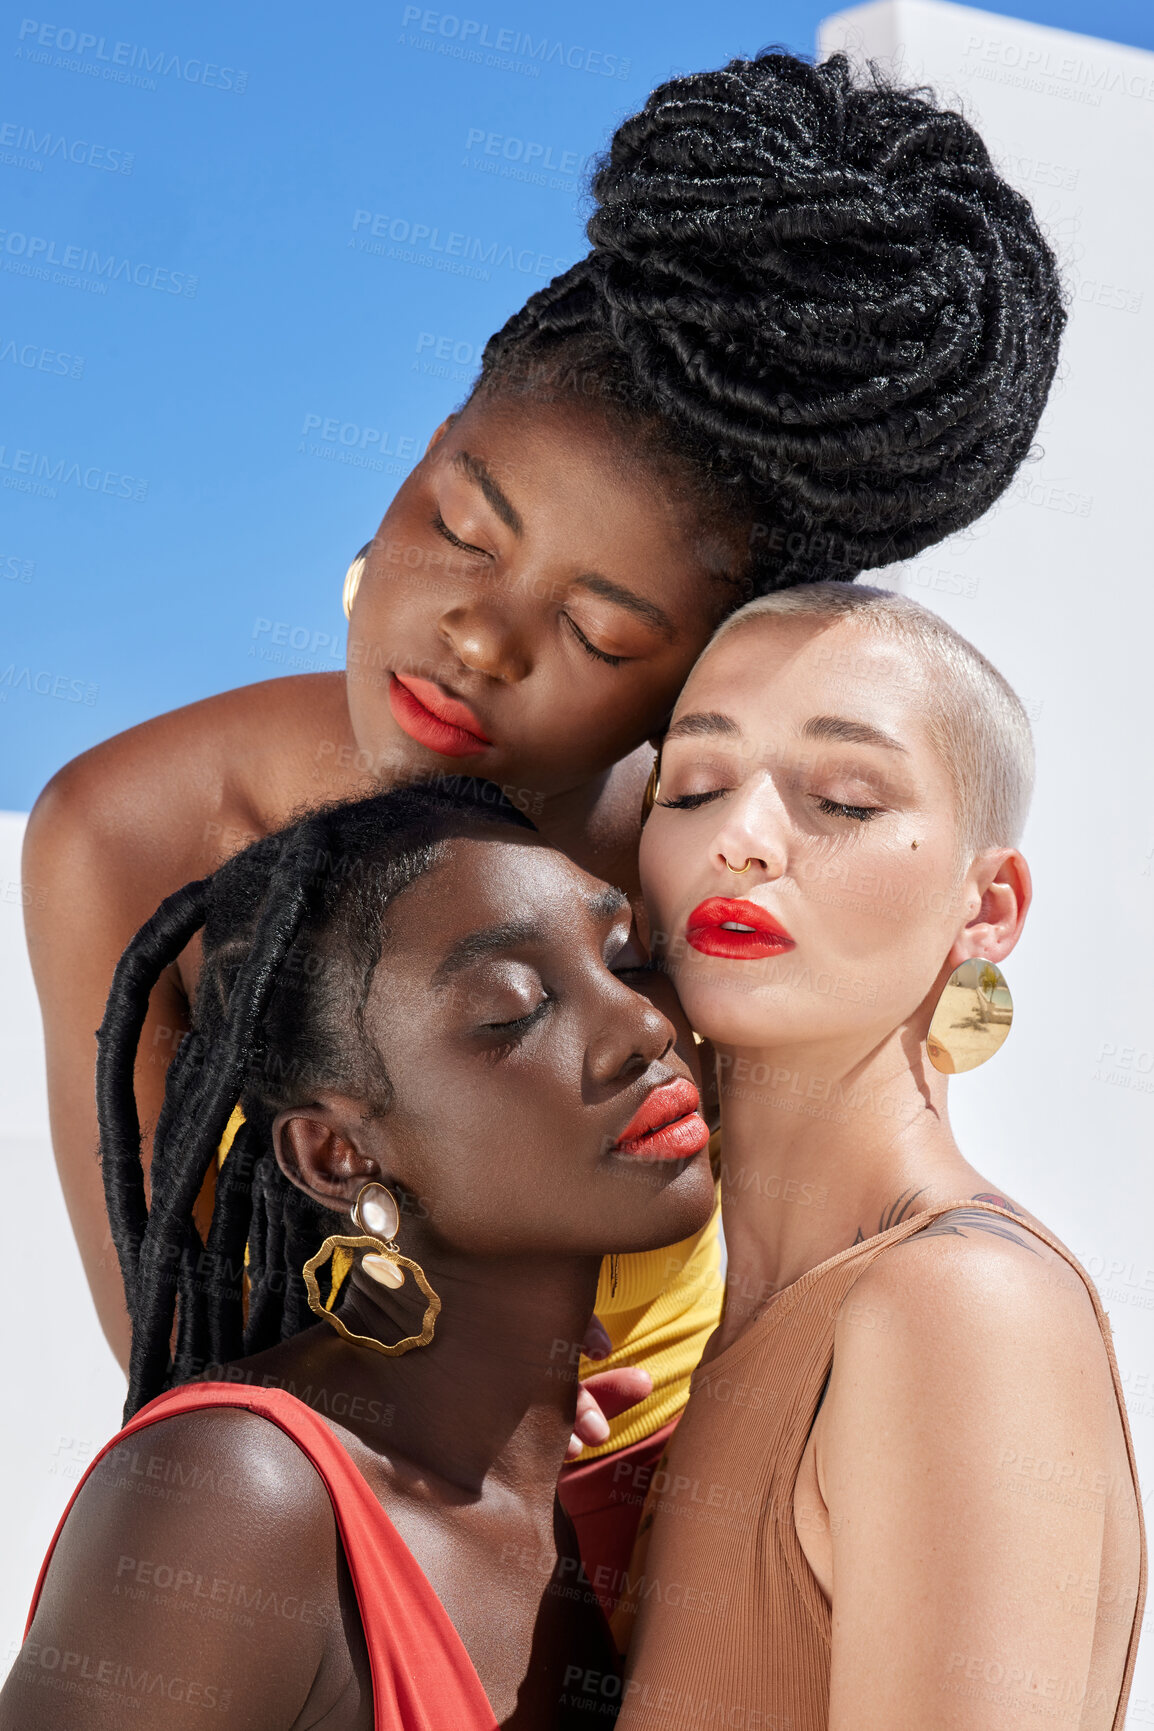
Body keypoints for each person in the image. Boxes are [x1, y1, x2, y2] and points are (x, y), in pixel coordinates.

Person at [23, 49, 1065, 1532]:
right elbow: (176, 1337)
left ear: (693, 670)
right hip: (360, 1561)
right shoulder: (135, 836)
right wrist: (424, 1379)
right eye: (457, 520)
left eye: (598, 632)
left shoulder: (729, 871)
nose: (475, 633)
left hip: (718, 1555)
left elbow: (839, 1272)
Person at [1, 780, 718, 1731]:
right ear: (339, 1154)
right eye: (515, 1008)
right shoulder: (242, 1501)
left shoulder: (563, 1505)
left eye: (627, 957)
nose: (644, 1026)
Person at [616, 585, 1146, 1729]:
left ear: (987, 905)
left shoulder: (958, 1308)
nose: (738, 839)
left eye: (844, 801)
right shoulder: (647, 1331)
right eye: (693, 788)